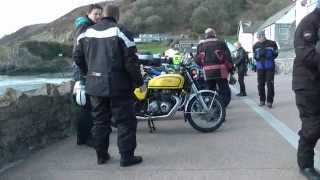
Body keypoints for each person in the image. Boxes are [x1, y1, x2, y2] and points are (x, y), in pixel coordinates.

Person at [73, 4, 143, 167]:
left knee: (99, 121)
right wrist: (139, 82)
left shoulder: (85, 32)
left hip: (95, 85)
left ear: (103, 15)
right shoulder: (121, 31)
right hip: (119, 85)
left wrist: (87, 73)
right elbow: (131, 61)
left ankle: (101, 156)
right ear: (116, 16)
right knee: (125, 121)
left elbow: (77, 57)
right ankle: (126, 157)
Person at [293, 1, 320, 179]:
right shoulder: (309, 23)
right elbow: (307, 55)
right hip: (308, 84)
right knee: (313, 126)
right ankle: (306, 164)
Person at [72, 4, 102, 146]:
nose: (98, 17)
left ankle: (82, 137)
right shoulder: (84, 27)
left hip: (84, 71)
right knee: (86, 105)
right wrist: (85, 72)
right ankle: (85, 138)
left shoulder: (86, 26)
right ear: (88, 14)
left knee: (85, 105)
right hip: (83, 72)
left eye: (100, 14)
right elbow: (79, 53)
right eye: (96, 14)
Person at [196, 28, 234, 108]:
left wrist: (203, 66)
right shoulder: (221, 43)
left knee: (210, 91)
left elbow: (197, 60)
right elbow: (228, 58)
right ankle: (222, 107)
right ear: (214, 34)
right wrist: (231, 69)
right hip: (221, 71)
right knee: (224, 91)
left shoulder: (201, 46)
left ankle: (213, 109)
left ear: (206, 35)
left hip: (207, 72)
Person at [252, 31, 278, 108]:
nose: (259, 38)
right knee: (260, 84)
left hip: (270, 67)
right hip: (260, 67)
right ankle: (262, 100)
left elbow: (276, 53)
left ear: (264, 36)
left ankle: (269, 101)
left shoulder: (272, 43)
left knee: (270, 84)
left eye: (260, 37)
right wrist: (257, 58)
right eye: (258, 37)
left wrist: (270, 58)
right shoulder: (255, 45)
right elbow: (254, 56)